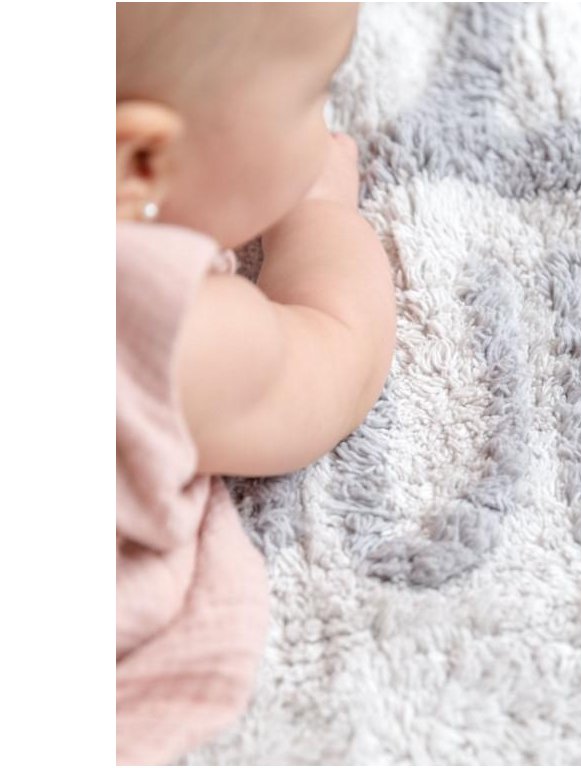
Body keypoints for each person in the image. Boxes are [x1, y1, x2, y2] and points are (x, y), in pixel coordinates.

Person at [115, 3, 395, 763]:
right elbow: (334, 353)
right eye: (314, 95)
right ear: (142, 162)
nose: (327, 118)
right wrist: (319, 213)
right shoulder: (157, 326)